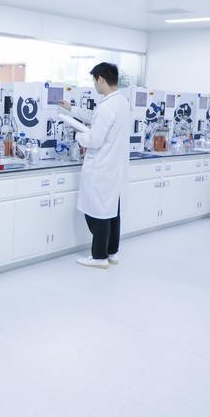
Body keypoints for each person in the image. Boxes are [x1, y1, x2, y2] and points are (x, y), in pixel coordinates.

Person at [59, 63, 130, 269]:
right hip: (114, 168)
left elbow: (94, 139)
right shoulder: (121, 103)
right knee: (112, 211)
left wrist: (78, 136)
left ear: (101, 79)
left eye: (94, 80)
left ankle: (99, 257)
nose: (94, 85)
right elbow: (96, 118)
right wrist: (71, 109)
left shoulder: (107, 107)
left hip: (101, 168)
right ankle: (112, 252)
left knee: (97, 214)